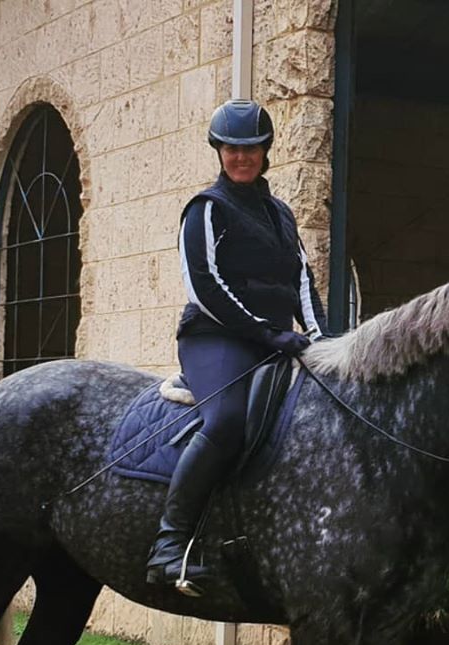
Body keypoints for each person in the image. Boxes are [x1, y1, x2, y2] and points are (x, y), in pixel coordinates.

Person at [145, 98, 328, 596]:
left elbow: (303, 282)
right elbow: (206, 286)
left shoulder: (282, 215)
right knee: (226, 421)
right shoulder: (206, 209)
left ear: (266, 151)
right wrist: (268, 334)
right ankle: (169, 544)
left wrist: (323, 342)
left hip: (275, 341)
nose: (241, 157)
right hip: (216, 338)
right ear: (219, 152)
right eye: (232, 148)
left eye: (251, 148)